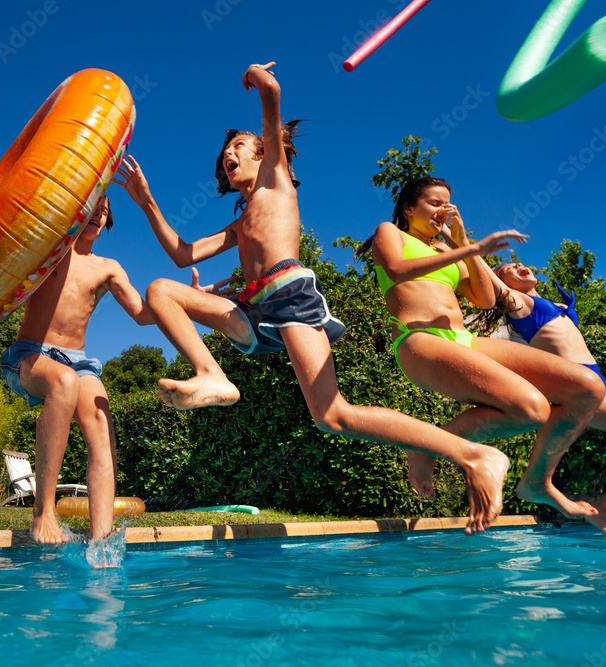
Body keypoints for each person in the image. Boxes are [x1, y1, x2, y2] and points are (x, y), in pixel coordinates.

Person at [114, 62, 511, 535]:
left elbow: (271, 106)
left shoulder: (275, 181)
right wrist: (146, 202)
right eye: (225, 152)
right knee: (162, 290)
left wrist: (261, 83)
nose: (229, 154)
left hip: (292, 298)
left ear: (267, 154)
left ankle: (473, 452)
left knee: (332, 415)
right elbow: (183, 254)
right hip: (255, 312)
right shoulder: (240, 223)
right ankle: (212, 375)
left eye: (239, 146)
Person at [364, 177, 606, 527]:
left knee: (586, 388)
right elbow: (396, 270)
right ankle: (428, 444)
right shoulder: (390, 231)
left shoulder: (448, 251)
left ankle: (534, 480)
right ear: (409, 208)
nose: (442, 212)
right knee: (534, 408)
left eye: (447, 206)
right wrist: (471, 251)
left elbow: (485, 298)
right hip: (419, 340)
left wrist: (464, 245)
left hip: (463, 339)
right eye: (434, 203)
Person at [1, 197, 169, 545]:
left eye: (105, 208)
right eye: (93, 205)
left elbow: (141, 313)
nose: (100, 212)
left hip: (79, 360)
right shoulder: (49, 250)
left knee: (100, 422)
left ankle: (101, 541)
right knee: (63, 382)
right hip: (29, 356)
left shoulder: (107, 268)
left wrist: (191, 300)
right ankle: (43, 512)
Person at [482, 261, 606, 540]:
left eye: (520, 263)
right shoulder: (517, 303)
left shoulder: (545, 302)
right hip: (581, 389)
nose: (518, 266)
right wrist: (463, 243)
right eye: (508, 269)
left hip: (601, 384)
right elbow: (487, 278)